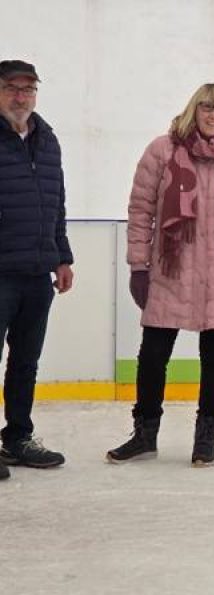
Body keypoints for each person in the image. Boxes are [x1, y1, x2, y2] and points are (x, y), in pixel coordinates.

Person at [107, 83, 214, 467]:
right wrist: (138, 265)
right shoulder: (162, 151)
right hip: (170, 270)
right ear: (194, 109)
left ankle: (205, 438)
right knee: (153, 354)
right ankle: (144, 434)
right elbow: (140, 211)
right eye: (208, 107)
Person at [0, 60, 74, 480]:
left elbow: (56, 202)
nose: (21, 96)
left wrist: (61, 256)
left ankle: (18, 438)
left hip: (36, 271)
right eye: (12, 88)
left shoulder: (46, 139)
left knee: (26, 360)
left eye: (28, 89)